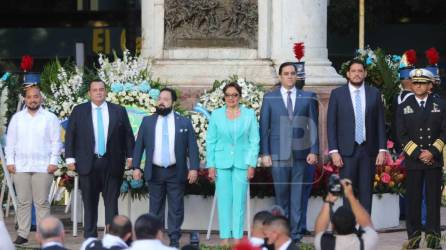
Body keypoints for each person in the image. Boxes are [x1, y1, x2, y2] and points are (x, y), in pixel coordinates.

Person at [65, 79, 135, 238]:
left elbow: (128, 136)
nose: (98, 92)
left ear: (106, 91)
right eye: (95, 89)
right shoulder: (79, 110)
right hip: (87, 163)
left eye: (101, 89)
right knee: (89, 204)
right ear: (89, 93)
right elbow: (71, 135)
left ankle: (112, 238)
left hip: (112, 163)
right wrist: (70, 158)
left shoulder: (118, 110)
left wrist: (131, 156)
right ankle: (90, 238)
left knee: (111, 204)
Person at [260, 62, 319, 244]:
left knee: (297, 195)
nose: (290, 76)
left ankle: (296, 235)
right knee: (281, 195)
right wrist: (265, 153)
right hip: (278, 154)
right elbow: (264, 128)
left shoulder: (307, 97)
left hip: (301, 154)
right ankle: (282, 234)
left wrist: (314, 151)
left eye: (293, 73)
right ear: (280, 77)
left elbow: (313, 125)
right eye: (286, 73)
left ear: (296, 76)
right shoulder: (270, 98)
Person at [132, 87, 199, 248]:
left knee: (176, 208)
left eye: (166, 99)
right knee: (155, 209)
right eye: (160, 98)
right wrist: (136, 167)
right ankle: (155, 240)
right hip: (155, 171)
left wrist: (194, 168)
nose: (161, 102)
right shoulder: (148, 121)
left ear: (173, 102)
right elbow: (139, 145)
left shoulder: (183, 122)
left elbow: (192, 147)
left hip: (176, 170)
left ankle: (174, 241)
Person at [327, 59, 387, 213]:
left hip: (368, 150)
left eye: (360, 71)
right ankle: (349, 229)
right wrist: (334, 151)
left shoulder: (374, 94)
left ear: (365, 74)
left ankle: (365, 229)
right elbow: (331, 124)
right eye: (353, 71)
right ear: (347, 74)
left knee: (367, 192)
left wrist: (382, 149)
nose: (357, 74)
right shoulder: (337, 94)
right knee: (348, 192)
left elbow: (380, 123)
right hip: (346, 152)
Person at [5, 84, 62, 245]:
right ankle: (22, 234)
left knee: (42, 202)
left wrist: (53, 162)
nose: (32, 100)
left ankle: (44, 236)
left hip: (43, 166)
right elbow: (10, 142)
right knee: (23, 202)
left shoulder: (50, 118)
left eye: (35, 96)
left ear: (41, 98)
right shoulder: (17, 118)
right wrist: (10, 161)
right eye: (29, 97)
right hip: (20, 167)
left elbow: (56, 142)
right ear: (25, 99)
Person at [396, 68, 445, 249]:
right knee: (413, 202)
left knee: (432, 203)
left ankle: (433, 241)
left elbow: (444, 131)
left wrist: (432, 151)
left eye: (422, 83)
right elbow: (401, 134)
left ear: (430, 85)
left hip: (434, 160)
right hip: (414, 161)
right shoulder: (404, 106)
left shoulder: (440, 104)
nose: (418, 86)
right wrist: (418, 154)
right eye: (415, 83)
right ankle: (414, 240)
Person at [206, 82, 260, 245]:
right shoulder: (216, 114)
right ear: (224, 97)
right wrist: (211, 165)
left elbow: (254, 141)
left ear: (239, 96)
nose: (231, 98)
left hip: (242, 164)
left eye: (234, 95)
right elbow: (211, 141)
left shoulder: (249, 114)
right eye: (228, 95)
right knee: (224, 202)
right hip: (221, 163)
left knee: (239, 202)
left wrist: (252, 164)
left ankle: (237, 238)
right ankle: (224, 239)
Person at [314, 179, 378, 250]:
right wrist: (351, 196)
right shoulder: (365, 244)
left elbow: (319, 229)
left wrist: (329, 199)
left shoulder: (324, 244)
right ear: (355, 223)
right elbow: (367, 223)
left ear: (333, 226)